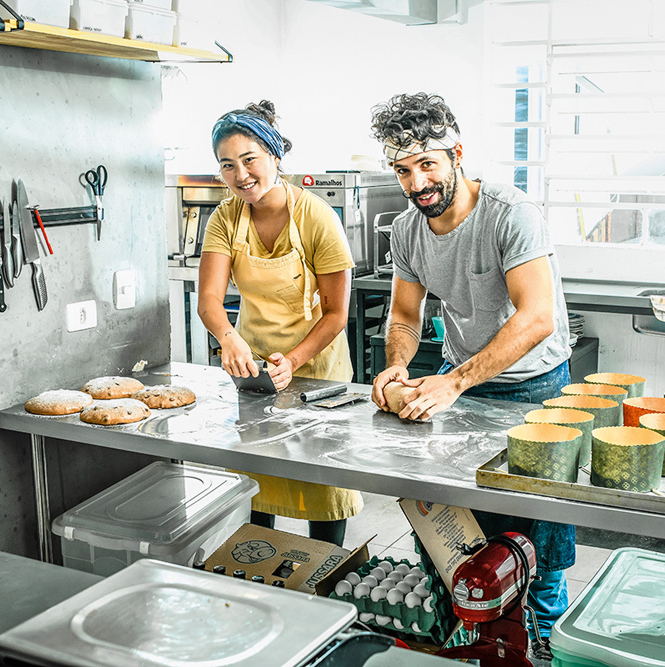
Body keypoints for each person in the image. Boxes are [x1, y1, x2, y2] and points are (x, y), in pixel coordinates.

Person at [369, 92, 573, 658]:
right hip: (464, 388)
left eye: (428, 164)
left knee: (538, 541)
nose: (417, 183)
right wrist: (396, 367)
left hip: (535, 389)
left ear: (457, 153)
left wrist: (453, 381)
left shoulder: (511, 213)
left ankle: (540, 646)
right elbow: (405, 317)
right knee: (454, 532)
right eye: (403, 170)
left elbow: (536, 319)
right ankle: (460, 643)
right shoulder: (408, 230)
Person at [198, 101, 362, 546]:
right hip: (254, 375)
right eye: (227, 165)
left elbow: (335, 314)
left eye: (249, 159)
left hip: (318, 375)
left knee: (322, 486)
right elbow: (209, 298)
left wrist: (292, 361)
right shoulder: (226, 217)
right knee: (258, 482)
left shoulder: (317, 218)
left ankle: (326, 578)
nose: (240, 175)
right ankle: (259, 572)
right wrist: (228, 337)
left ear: (274, 155)